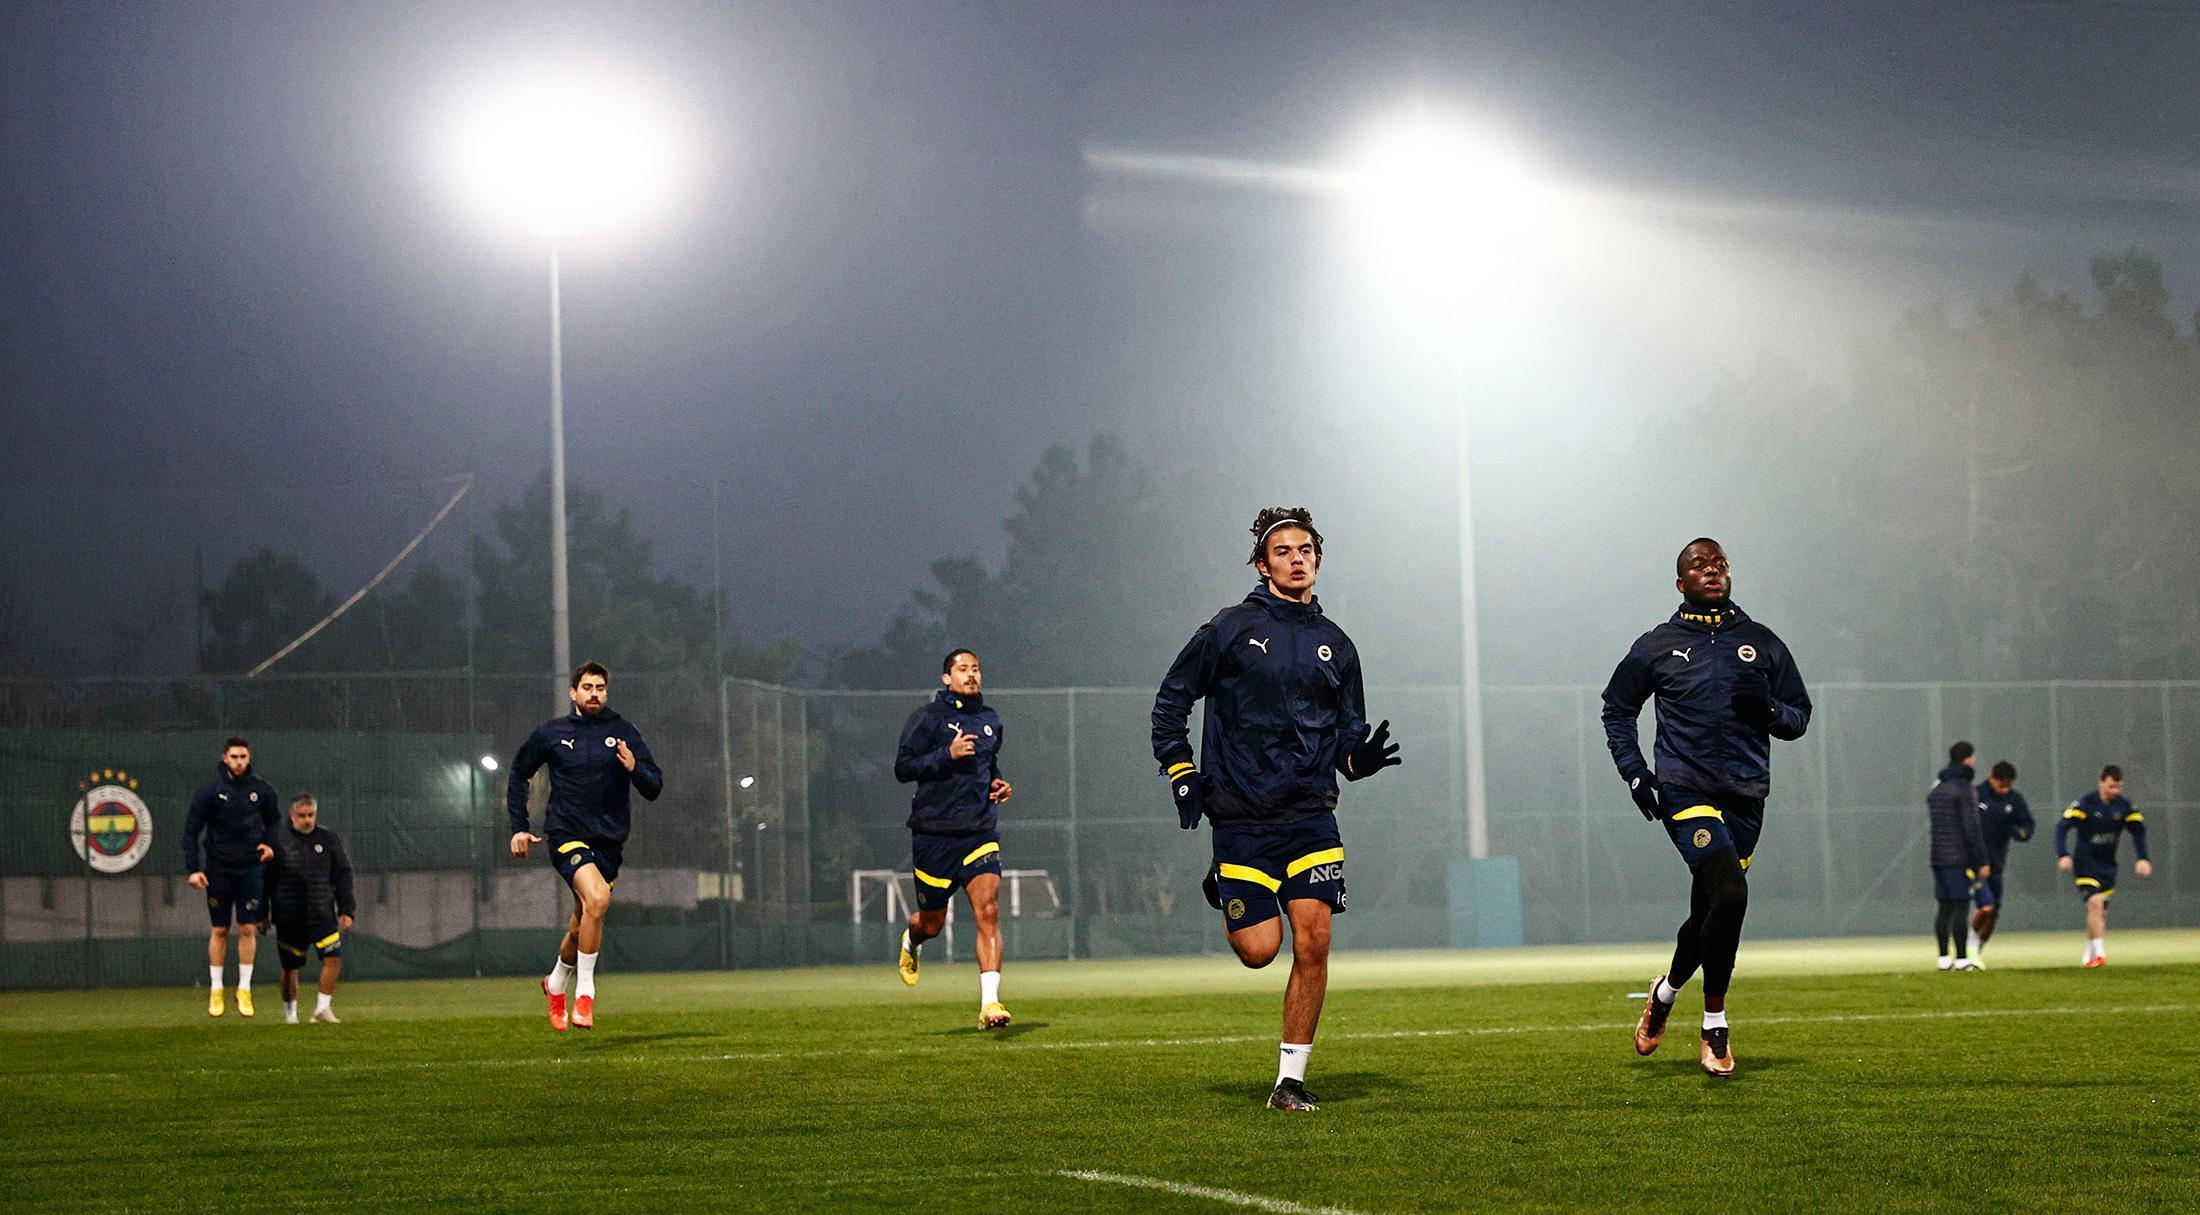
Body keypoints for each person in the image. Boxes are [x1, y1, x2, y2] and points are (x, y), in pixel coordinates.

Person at [1151, 506, 1401, 1112]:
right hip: (1240, 816)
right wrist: (1183, 772)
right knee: (1260, 950)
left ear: (1318, 561)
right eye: (1283, 551)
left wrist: (1356, 762)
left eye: (1306, 550)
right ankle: (1226, 884)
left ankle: (1289, 1082)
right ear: (1262, 564)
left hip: (1311, 815)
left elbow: (1346, 740)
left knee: (1313, 942)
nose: (1297, 559)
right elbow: (1170, 703)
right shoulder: (1229, 628)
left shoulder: (1337, 645)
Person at [1602, 537, 1811, 1077]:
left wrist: (1765, 707)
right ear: (1681, 583)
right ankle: (1714, 1024)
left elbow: (1797, 718)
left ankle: (1666, 993)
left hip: (1745, 794)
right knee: (1733, 892)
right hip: (1685, 789)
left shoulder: (1761, 643)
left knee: (1710, 911)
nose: (1712, 570)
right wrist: (1634, 774)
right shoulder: (1658, 645)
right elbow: (1616, 710)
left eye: (1719, 563)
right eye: (1699, 564)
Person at [507, 662, 664, 1030]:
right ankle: (586, 995)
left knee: (582, 924)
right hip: (566, 834)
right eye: (588, 687)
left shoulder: (623, 732)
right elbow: (519, 773)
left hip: (609, 843)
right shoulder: (552, 732)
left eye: (601, 688)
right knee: (598, 900)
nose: (595, 693)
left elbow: (654, 786)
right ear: (573, 693)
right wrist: (518, 827)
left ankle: (556, 981)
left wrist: (633, 767)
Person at [892, 648, 1015, 1028]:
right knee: (932, 923)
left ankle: (990, 1005)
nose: (971, 675)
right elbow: (902, 768)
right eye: (963, 669)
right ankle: (912, 941)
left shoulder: (990, 719)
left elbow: (987, 766)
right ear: (947, 678)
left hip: (978, 831)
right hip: (933, 835)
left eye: (976, 668)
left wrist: (997, 783)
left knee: (988, 910)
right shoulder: (926, 718)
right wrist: (946, 753)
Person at [183, 737, 278, 1018]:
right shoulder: (210, 792)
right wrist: (193, 869)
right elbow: (191, 831)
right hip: (218, 869)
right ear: (225, 758)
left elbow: (274, 821)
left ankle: (244, 989)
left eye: (243, 757)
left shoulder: (261, 791)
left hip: (251, 869)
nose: (239, 761)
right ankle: (216, 989)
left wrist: (271, 844)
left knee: (247, 929)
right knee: (220, 930)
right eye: (234, 756)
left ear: (249, 758)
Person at [264, 793, 356, 1024]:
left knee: (333, 956)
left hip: (322, 913)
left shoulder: (328, 839)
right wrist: (260, 913)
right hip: (289, 916)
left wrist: (347, 910)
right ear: (292, 815)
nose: (307, 820)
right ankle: (291, 1013)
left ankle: (322, 1009)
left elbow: (343, 876)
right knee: (290, 967)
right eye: (302, 815)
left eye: (311, 815)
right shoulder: (277, 840)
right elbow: (265, 879)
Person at [2056, 765, 2152, 967]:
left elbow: (2138, 831)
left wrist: (2143, 857)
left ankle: (2090, 954)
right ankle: (2099, 953)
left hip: (2108, 866)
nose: (2115, 791)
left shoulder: (2124, 806)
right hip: (2085, 865)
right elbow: (2061, 827)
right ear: (2101, 782)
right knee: (2095, 903)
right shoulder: (2085, 804)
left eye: (2118, 787)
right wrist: (2063, 854)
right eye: (2111, 787)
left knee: (2100, 912)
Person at [1926, 742, 1992, 972]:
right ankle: (1963, 958)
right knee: (1961, 907)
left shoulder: (1938, 787)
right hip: (1958, 857)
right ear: (1967, 759)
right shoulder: (1964, 788)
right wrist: (1982, 860)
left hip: (1937, 855)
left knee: (1944, 908)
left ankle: (1943, 958)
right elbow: (1971, 827)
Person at [1970, 760, 2034, 959]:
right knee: (1985, 906)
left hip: (1997, 863)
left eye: (2009, 785)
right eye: (2001, 785)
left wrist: (2019, 832)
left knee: (1994, 911)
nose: (2005, 790)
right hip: (1975, 863)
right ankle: (1968, 947)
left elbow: (2027, 825)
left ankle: (1976, 951)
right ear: (1992, 778)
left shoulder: (2014, 800)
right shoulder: (1976, 794)